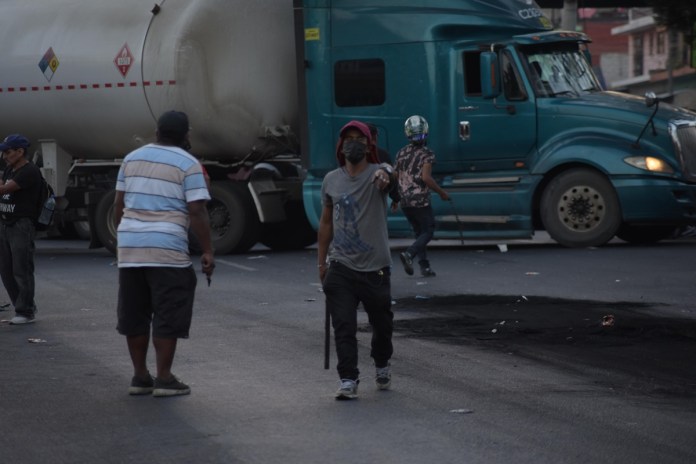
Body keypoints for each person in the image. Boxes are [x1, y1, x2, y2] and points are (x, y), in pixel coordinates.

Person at [114, 110, 215, 397]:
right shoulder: (188, 163)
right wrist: (207, 250)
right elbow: (197, 211)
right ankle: (164, 377)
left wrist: (125, 235)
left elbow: (119, 204)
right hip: (167, 248)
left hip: (130, 247)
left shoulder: (131, 158)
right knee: (168, 310)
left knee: (134, 311)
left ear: (157, 132)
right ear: (186, 135)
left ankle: (139, 376)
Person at [317, 120, 395, 400]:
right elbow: (326, 223)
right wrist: (321, 263)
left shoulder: (378, 174)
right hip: (341, 266)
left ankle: (382, 362)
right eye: (348, 138)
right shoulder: (331, 180)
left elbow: (391, 174)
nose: (354, 143)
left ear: (368, 145)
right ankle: (348, 379)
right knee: (344, 326)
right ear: (341, 146)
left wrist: (387, 172)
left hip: (376, 268)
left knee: (382, 326)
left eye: (359, 139)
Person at [394, 115, 449, 277]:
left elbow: (394, 176)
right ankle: (409, 254)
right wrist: (442, 192)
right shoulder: (427, 154)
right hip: (420, 200)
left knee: (419, 233)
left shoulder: (401, 153)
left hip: (405, 200)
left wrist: (396, 197)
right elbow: (426, 178)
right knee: (429, 230)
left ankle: (424, 267)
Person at [0, 134, 42, 325]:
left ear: (20, 151)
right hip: (6, 223)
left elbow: (5, 190)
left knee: (21, 268)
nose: (5, 156)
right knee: (6, 269)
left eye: (8, 152)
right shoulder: (10, 169)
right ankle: (22, 305)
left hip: (21, 224)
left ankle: (25, 311)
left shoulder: (29, 171)